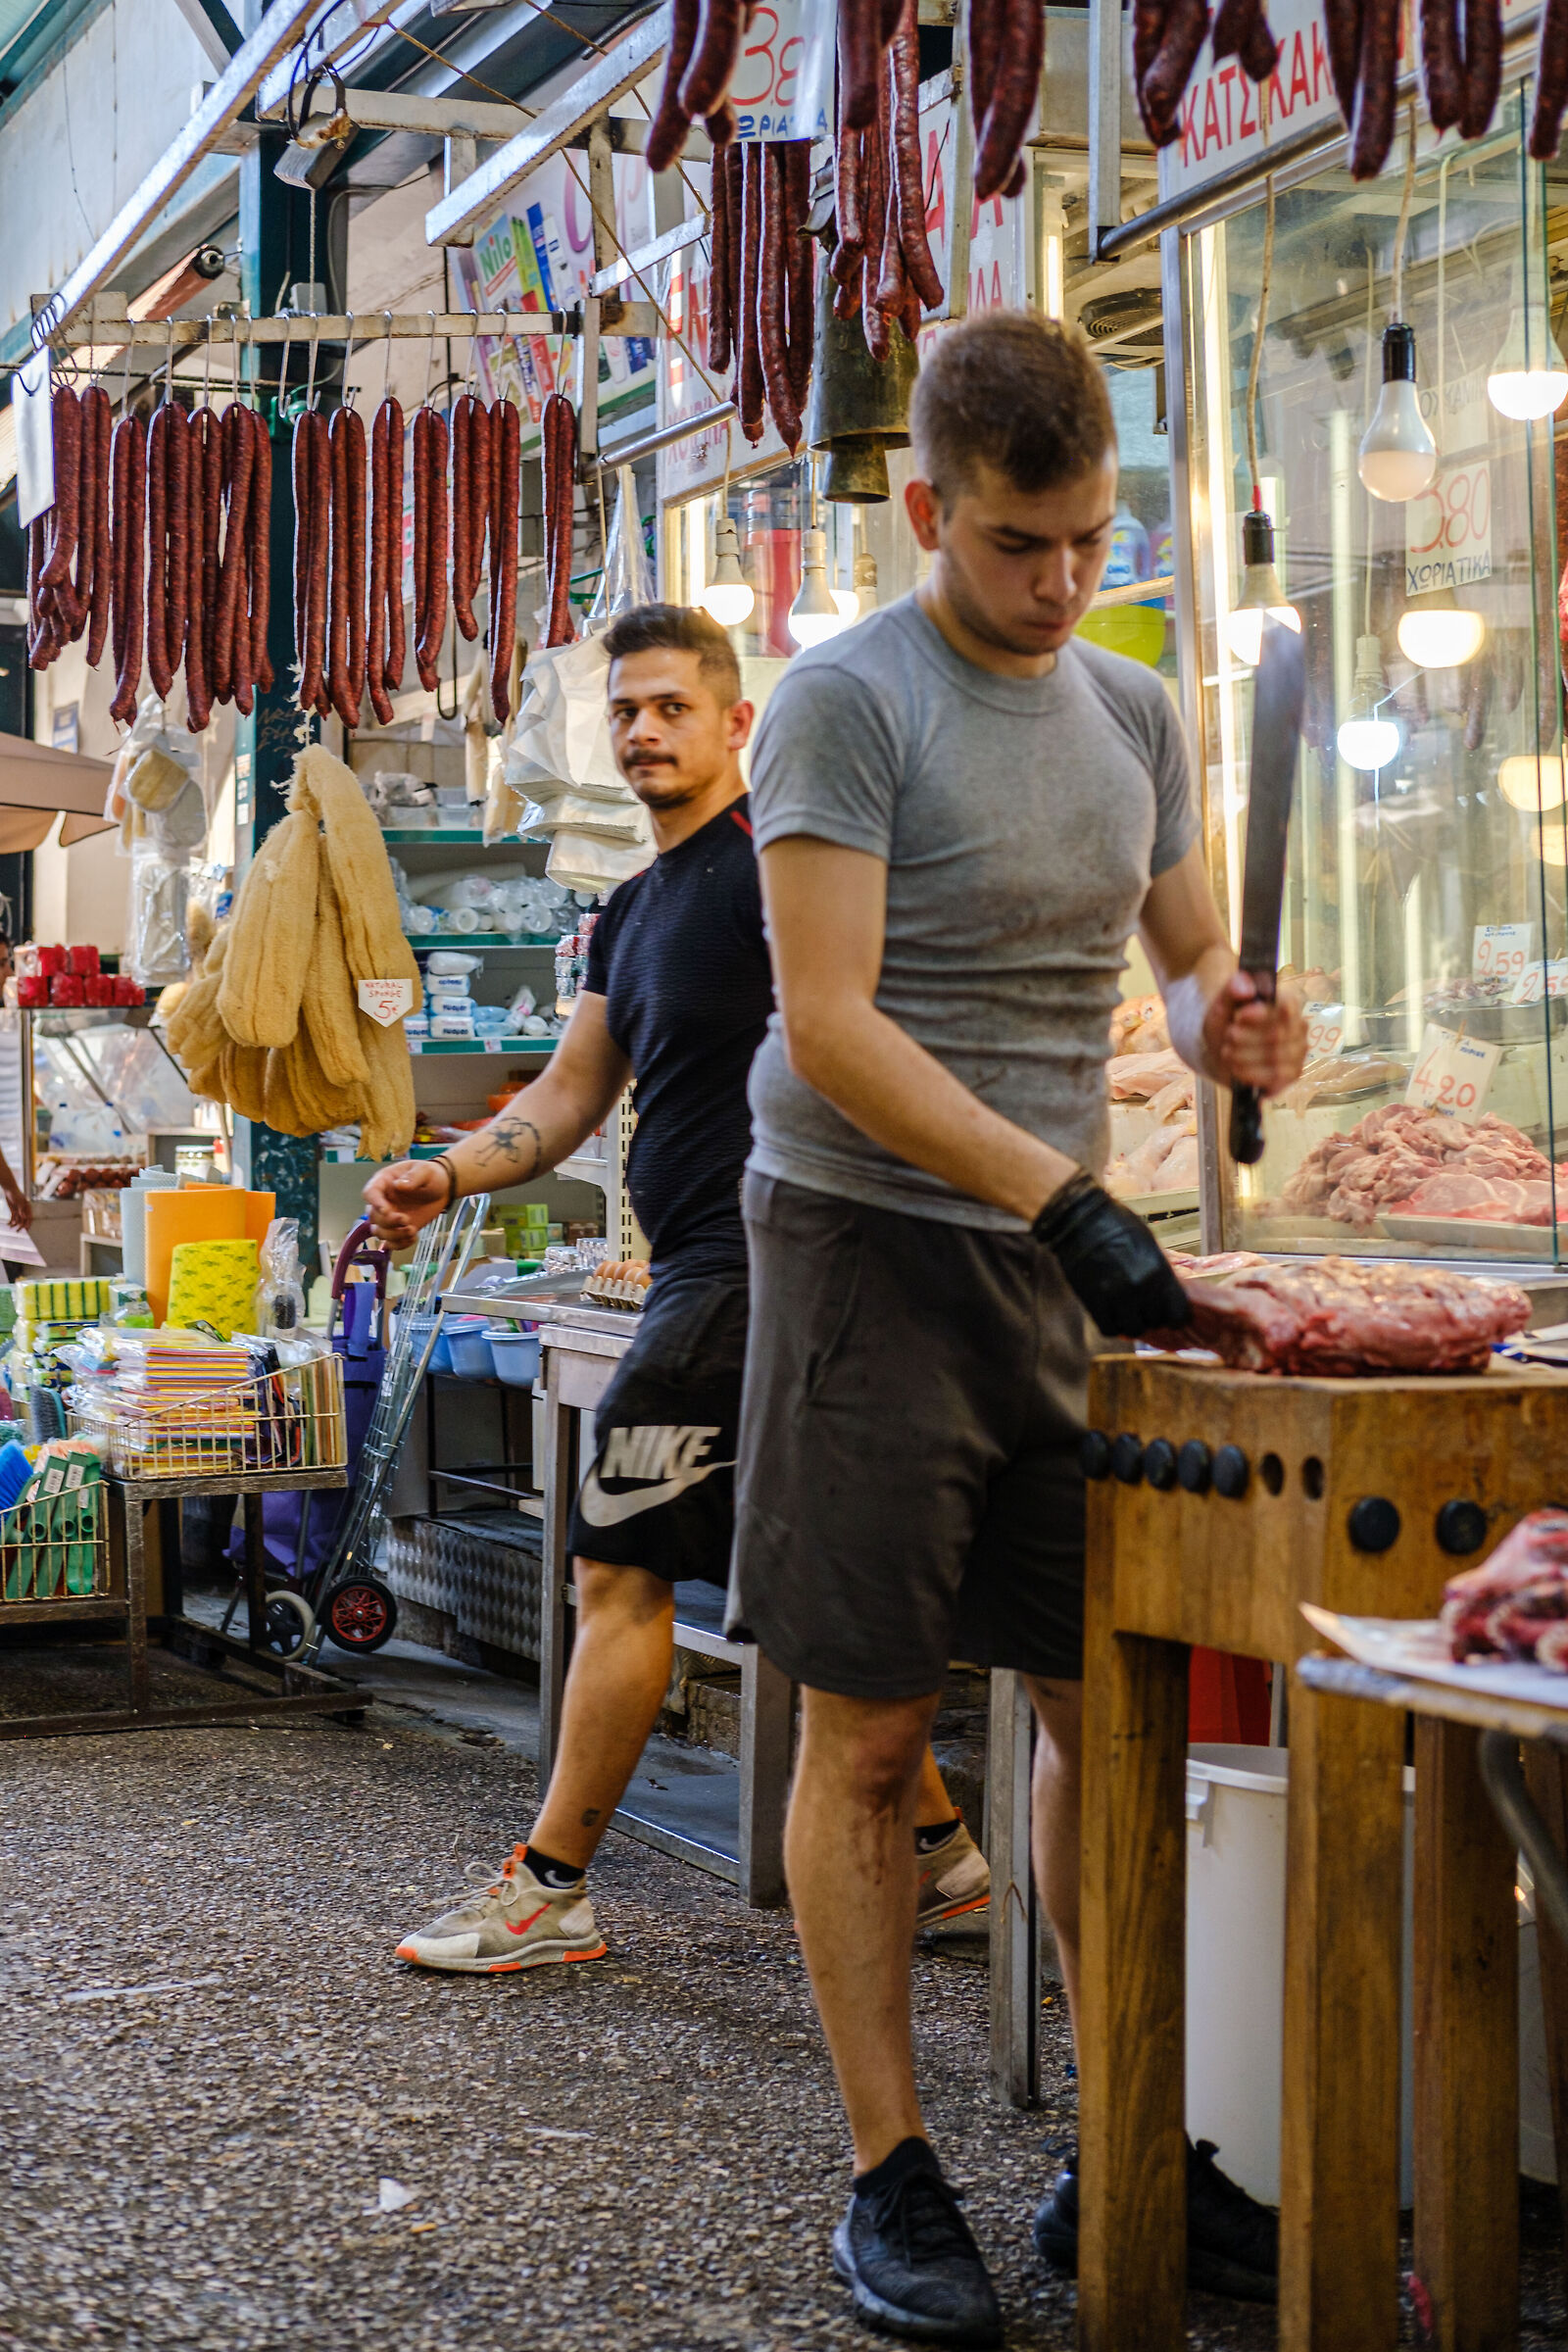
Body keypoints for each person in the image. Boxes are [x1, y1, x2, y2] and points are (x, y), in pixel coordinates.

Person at [727, 314, 1308, 2346]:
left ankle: (1128, 2149)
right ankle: (892, 2180)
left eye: (1082, 540)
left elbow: (1173, 964)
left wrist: (1228, 1016)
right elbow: (826, 1023)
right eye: (1011, 547)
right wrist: (1054, 1191)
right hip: (871, 1250)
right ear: (924, 513)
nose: (1055, 583)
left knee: (1103, 1706)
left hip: (1052, 1254)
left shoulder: (1132, 710)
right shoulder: (837, 706)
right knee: (873, 1726)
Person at [364, 604, 988, 1975]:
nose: (645, 731)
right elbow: (574, 1090)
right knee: (800, 1574)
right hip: (711, 1275)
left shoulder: (784, 866)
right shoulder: (634, 911)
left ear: (735, 724)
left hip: (777, 1272)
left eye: (672, 708)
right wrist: (447, 1175)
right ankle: (949, 1871)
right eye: (628, 710)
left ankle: (549, 1889)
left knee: (617, 1560)